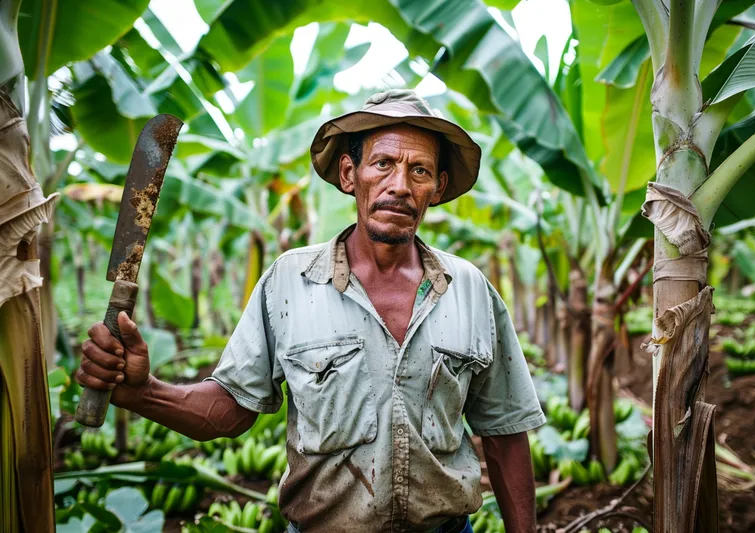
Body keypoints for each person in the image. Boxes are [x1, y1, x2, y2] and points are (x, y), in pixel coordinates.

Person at [77, 90, 545, 533]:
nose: (399, 186)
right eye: (382, 164)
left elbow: (505, 433)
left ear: (438, 188)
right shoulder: (289, 282)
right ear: (349, 174)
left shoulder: (470, 290)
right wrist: (142, 393)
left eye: (419, 171)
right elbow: (232, 409)